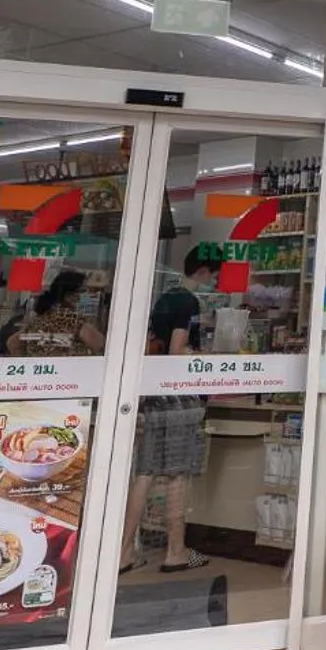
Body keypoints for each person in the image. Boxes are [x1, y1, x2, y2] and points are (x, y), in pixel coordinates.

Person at [121, 245, 216, 575]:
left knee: (145, 473)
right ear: (203, 272)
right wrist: (201, 358)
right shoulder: (188, 302)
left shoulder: (163, 299)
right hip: (178, 398)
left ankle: (124, 552)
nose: (213, 282)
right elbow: (177, 351)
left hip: (154, 395)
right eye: (213, 275)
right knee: (177, 474)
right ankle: (176, 551)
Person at [2, 268, 104, 356]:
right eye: (83, 291)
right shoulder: (72, 319)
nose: (87, 295)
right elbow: (100, 345)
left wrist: (32, 365)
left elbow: (12, 343)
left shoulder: (41, 318)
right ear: (69, 296)